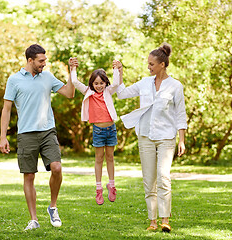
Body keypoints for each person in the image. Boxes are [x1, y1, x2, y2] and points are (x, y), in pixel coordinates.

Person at [0, 44, 76, 230]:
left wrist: (72, 72)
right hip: (26, 133)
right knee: (29, 176)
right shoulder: (14, 80)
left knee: (56, 168)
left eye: (45, 60)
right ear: (30, 60)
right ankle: (33, 220)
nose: (44, 63)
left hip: (47, 130)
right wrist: (3, 136)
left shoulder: (47, 77)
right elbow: (6, 109)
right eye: (41, 61)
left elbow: (69, 93)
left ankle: (53, 206)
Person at [116, 43, 187, 232]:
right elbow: (122, 94)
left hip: (166, 137)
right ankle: (152, 221)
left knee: (164, 177)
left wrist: (181, 140)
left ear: (162, 65)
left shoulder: (175, 86)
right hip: (145, 136)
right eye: (148, 64)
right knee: (149, 179)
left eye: (151, 64)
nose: (148, 67)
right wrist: (120, 72)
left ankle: (165, 220)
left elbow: (180, 114)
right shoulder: (144, 83)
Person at [70, 58, 122, 205]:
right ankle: (98, 189)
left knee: (110, 157)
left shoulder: (108, 91)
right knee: (99, 159)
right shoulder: (88, 92)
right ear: (91, 84)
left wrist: (116, 68)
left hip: (111, 129)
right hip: (98, 130)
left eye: (101, 83)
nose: (99, 86)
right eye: (96, 83)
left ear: (106, 83)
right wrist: (73, 68)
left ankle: (112, 185)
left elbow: (117, 83)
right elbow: (74, 82)